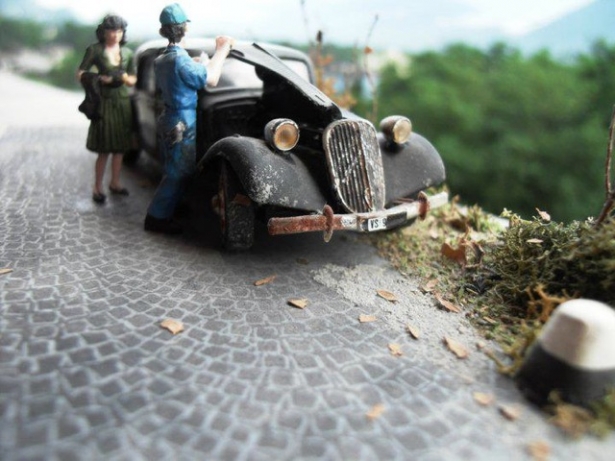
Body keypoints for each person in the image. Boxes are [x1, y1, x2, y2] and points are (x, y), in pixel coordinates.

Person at [144, 3, 234, 234]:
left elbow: (182, 73)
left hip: (169, 116)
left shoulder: (163, 58)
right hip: (182, 121)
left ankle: (172, 207)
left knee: (172, 168)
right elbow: (211, 78)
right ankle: (156, 217)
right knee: (179, 172)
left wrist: (196, 63)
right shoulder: (180, 60)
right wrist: (222, 49)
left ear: (164, 30)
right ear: (184, 28)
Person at [78, 14, 137, 204]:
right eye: (111, 30)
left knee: (119, 147)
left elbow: (133, 79)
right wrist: (98, 79)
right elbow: (81, 73)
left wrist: (123, 77)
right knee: (103, 148)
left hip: (122, 101)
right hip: (103, 101)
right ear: (103, 32)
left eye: (119, 31)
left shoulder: (127, 53)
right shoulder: (94, 50)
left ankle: (115, 182)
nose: (115, 35)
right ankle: (97, 186)